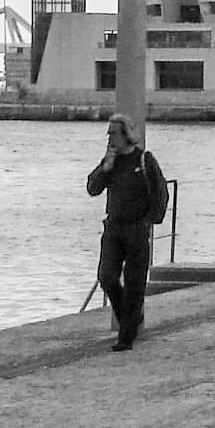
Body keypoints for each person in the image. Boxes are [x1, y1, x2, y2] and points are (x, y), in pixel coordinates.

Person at [83, 112, 167, 350]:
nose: (110, 138)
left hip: (136, 228)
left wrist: (150, 220)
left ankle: (126, 337)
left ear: (126, 135)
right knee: (107, 277)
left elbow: (160, 193)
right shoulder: (110, 161)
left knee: (134, 283)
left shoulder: (144, 160)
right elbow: (93, 188)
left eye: (114, 133)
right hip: (114, 228)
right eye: (108, 133)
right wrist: (105, 168)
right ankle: (130, 320)